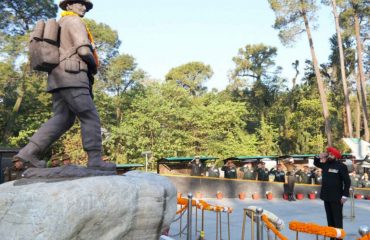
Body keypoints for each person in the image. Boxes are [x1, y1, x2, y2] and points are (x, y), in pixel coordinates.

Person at [12, 0, 115, 171]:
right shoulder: (75, 21)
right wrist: (94, 65)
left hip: (57, 78)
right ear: (69, 6)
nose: (84, 8)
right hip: (73, 75)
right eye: (80, 4)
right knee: (89, 115)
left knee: (62, 119)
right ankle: (95, 159)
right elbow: (83, 50)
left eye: (86, 6)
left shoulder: (60, 23)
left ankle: (28, 153)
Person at [314, 147, 351, 238]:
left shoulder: (341, 166)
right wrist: (319, 155)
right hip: (326, 196)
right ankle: (332, 237)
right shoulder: (326, 164)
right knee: (330, 220)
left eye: (331, 154)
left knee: (337, 220)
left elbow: (347, 181)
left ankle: (339, 238)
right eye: (328, 153)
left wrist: (345, 195)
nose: (329, 155)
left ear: (336, 156)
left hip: (336, 198)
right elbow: (316, 162)